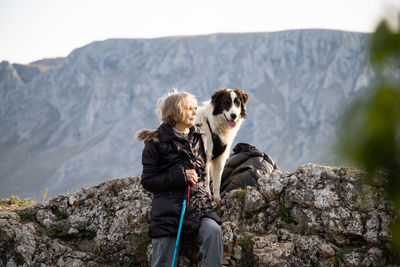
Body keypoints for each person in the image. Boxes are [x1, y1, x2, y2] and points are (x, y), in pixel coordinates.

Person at [136, 90, 223, 267]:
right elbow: (148, 181)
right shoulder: (155, 141)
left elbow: (202, 177)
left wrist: (206, 206)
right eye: (189, 108)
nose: (194, 111)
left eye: (195, 108)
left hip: (198, 211)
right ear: (174, 114)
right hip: (168, 215)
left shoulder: (200, 137)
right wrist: (180, 175)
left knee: (214, 231)